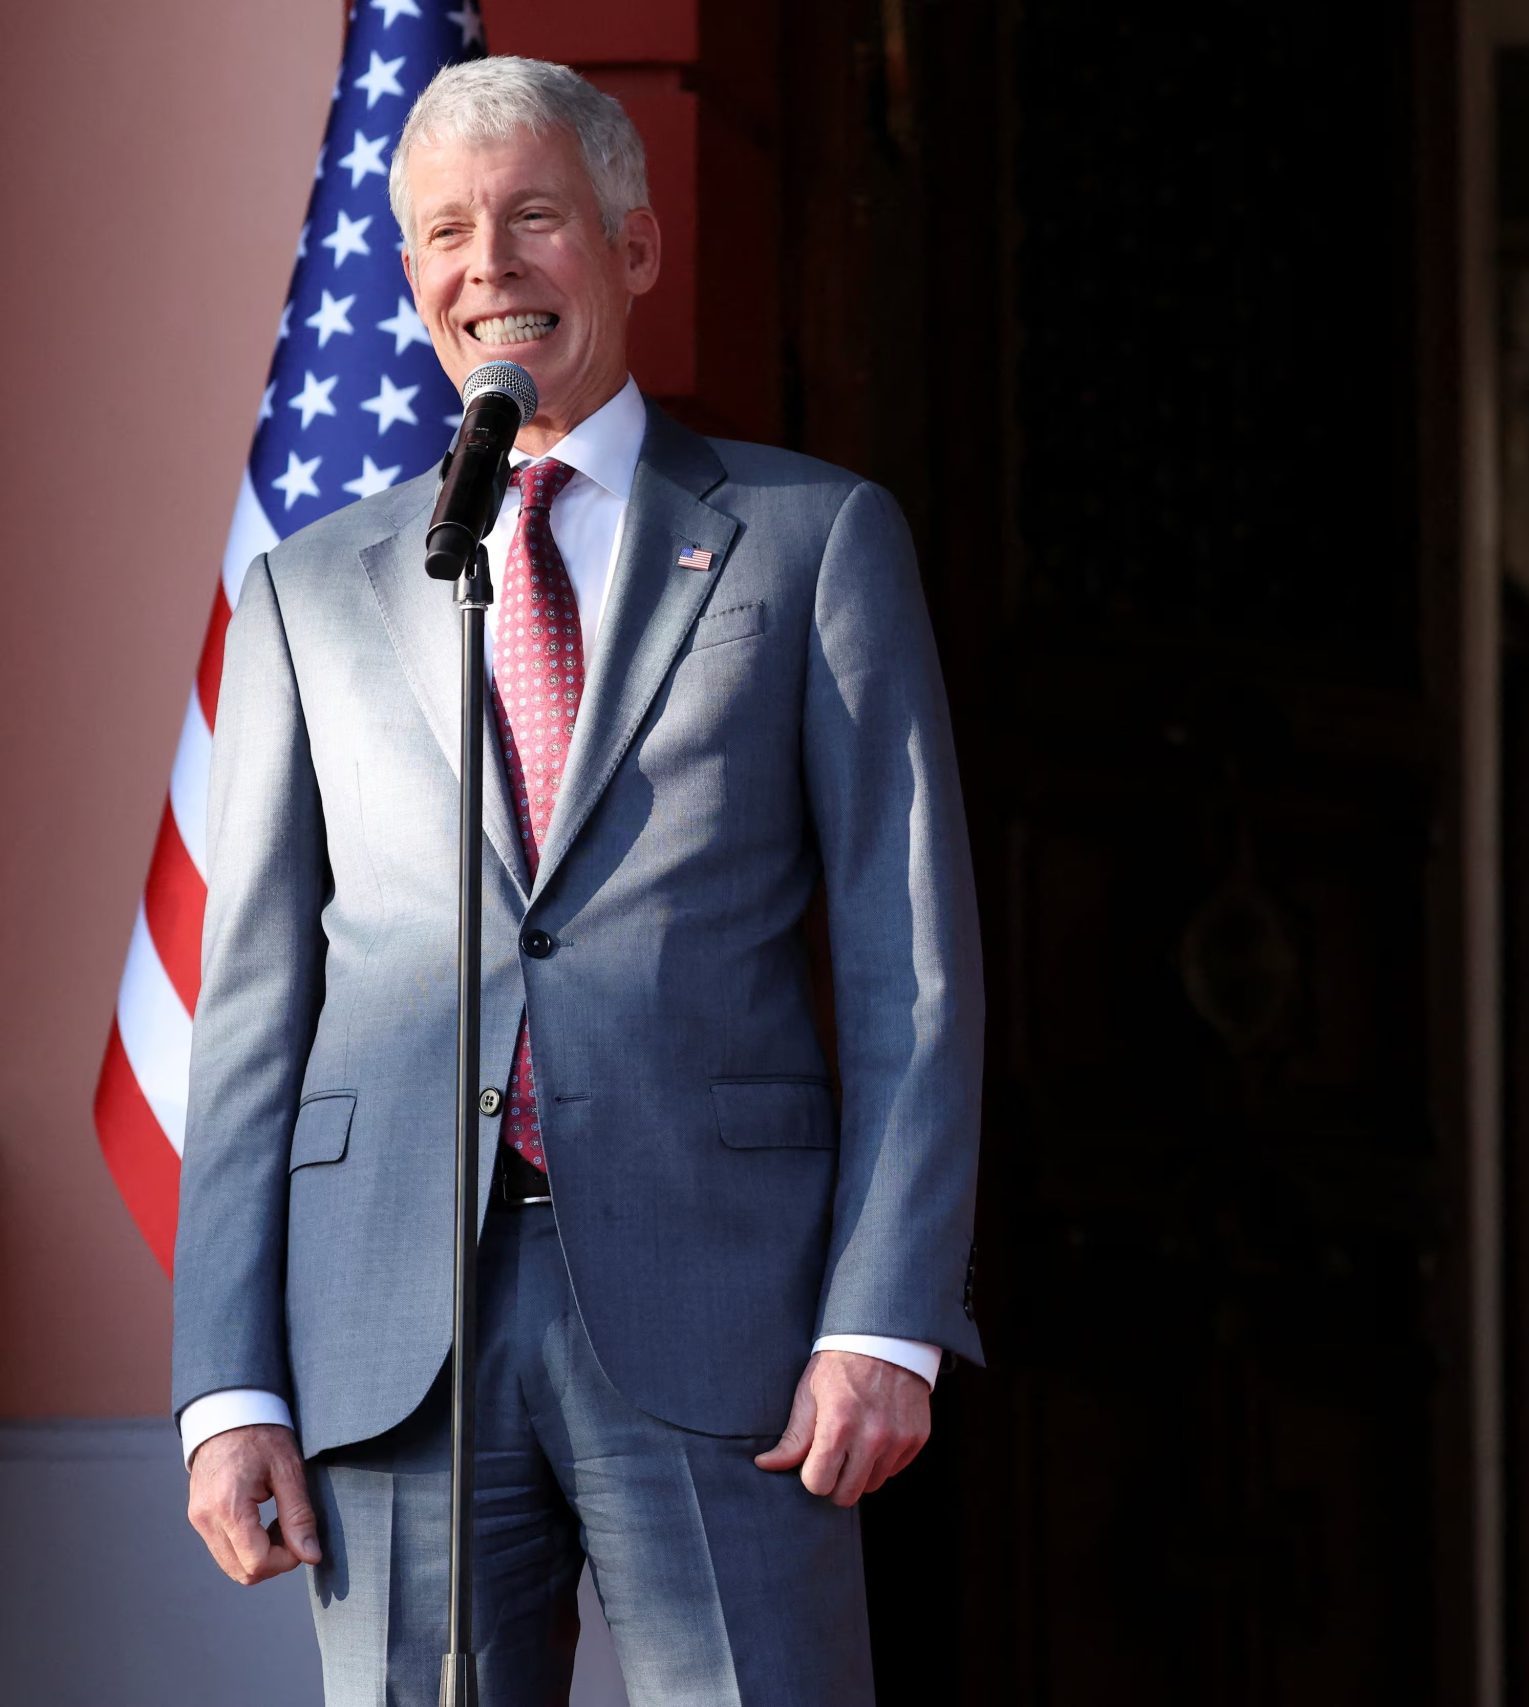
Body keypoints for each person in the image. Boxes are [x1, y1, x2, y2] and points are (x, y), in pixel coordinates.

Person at [171, 57, 982, 1704]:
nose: (490, 270)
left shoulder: (809, 538)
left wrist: (887, 1313)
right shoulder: (311, 593)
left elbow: (913, 960)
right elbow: (253, 1004)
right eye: (448, 236)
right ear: (408, 279)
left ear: (634, 244)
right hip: (391, 1331)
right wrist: (224, 1385)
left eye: (535, 218)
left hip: (729, 1313)